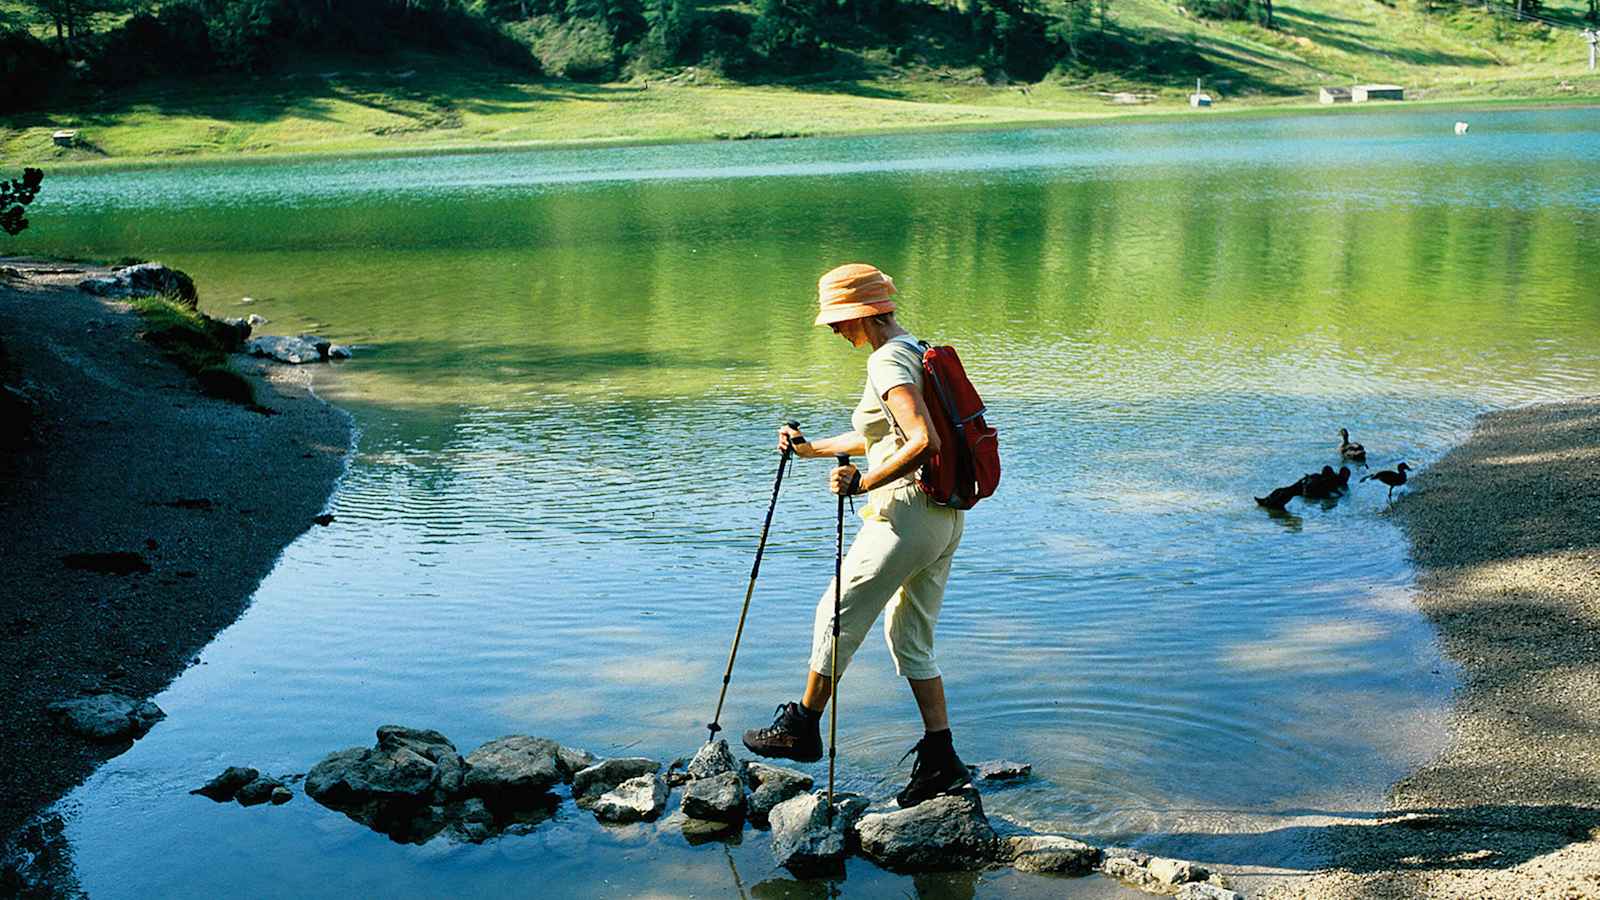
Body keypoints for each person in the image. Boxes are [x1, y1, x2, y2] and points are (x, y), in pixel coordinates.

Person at [742, 263, 971, 809]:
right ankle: (942, 761)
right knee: (910, 639)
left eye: (837, 322)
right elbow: (883, 432)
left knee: (835, 612)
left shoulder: (886, 359)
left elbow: (922, 440)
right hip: (945, 516)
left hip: (905, 516)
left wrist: (862, 482)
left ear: (861, 314)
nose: (834, 332)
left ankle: (802, 725)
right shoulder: (913, 348)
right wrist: (813, 449)